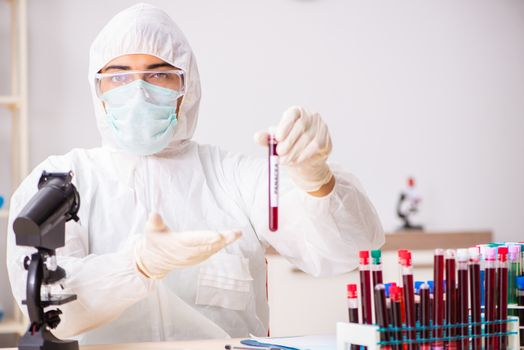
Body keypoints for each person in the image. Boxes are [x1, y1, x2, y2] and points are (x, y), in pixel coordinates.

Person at [6, 3, 384, 345]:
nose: (138, 92)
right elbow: (49, 312)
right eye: (119, 77)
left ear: (187, 87)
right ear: (97, 89)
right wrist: (134, 266)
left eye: (159, 75)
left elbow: (348, 252)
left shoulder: (232, 177)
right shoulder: (63, 180)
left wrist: (317, 182)